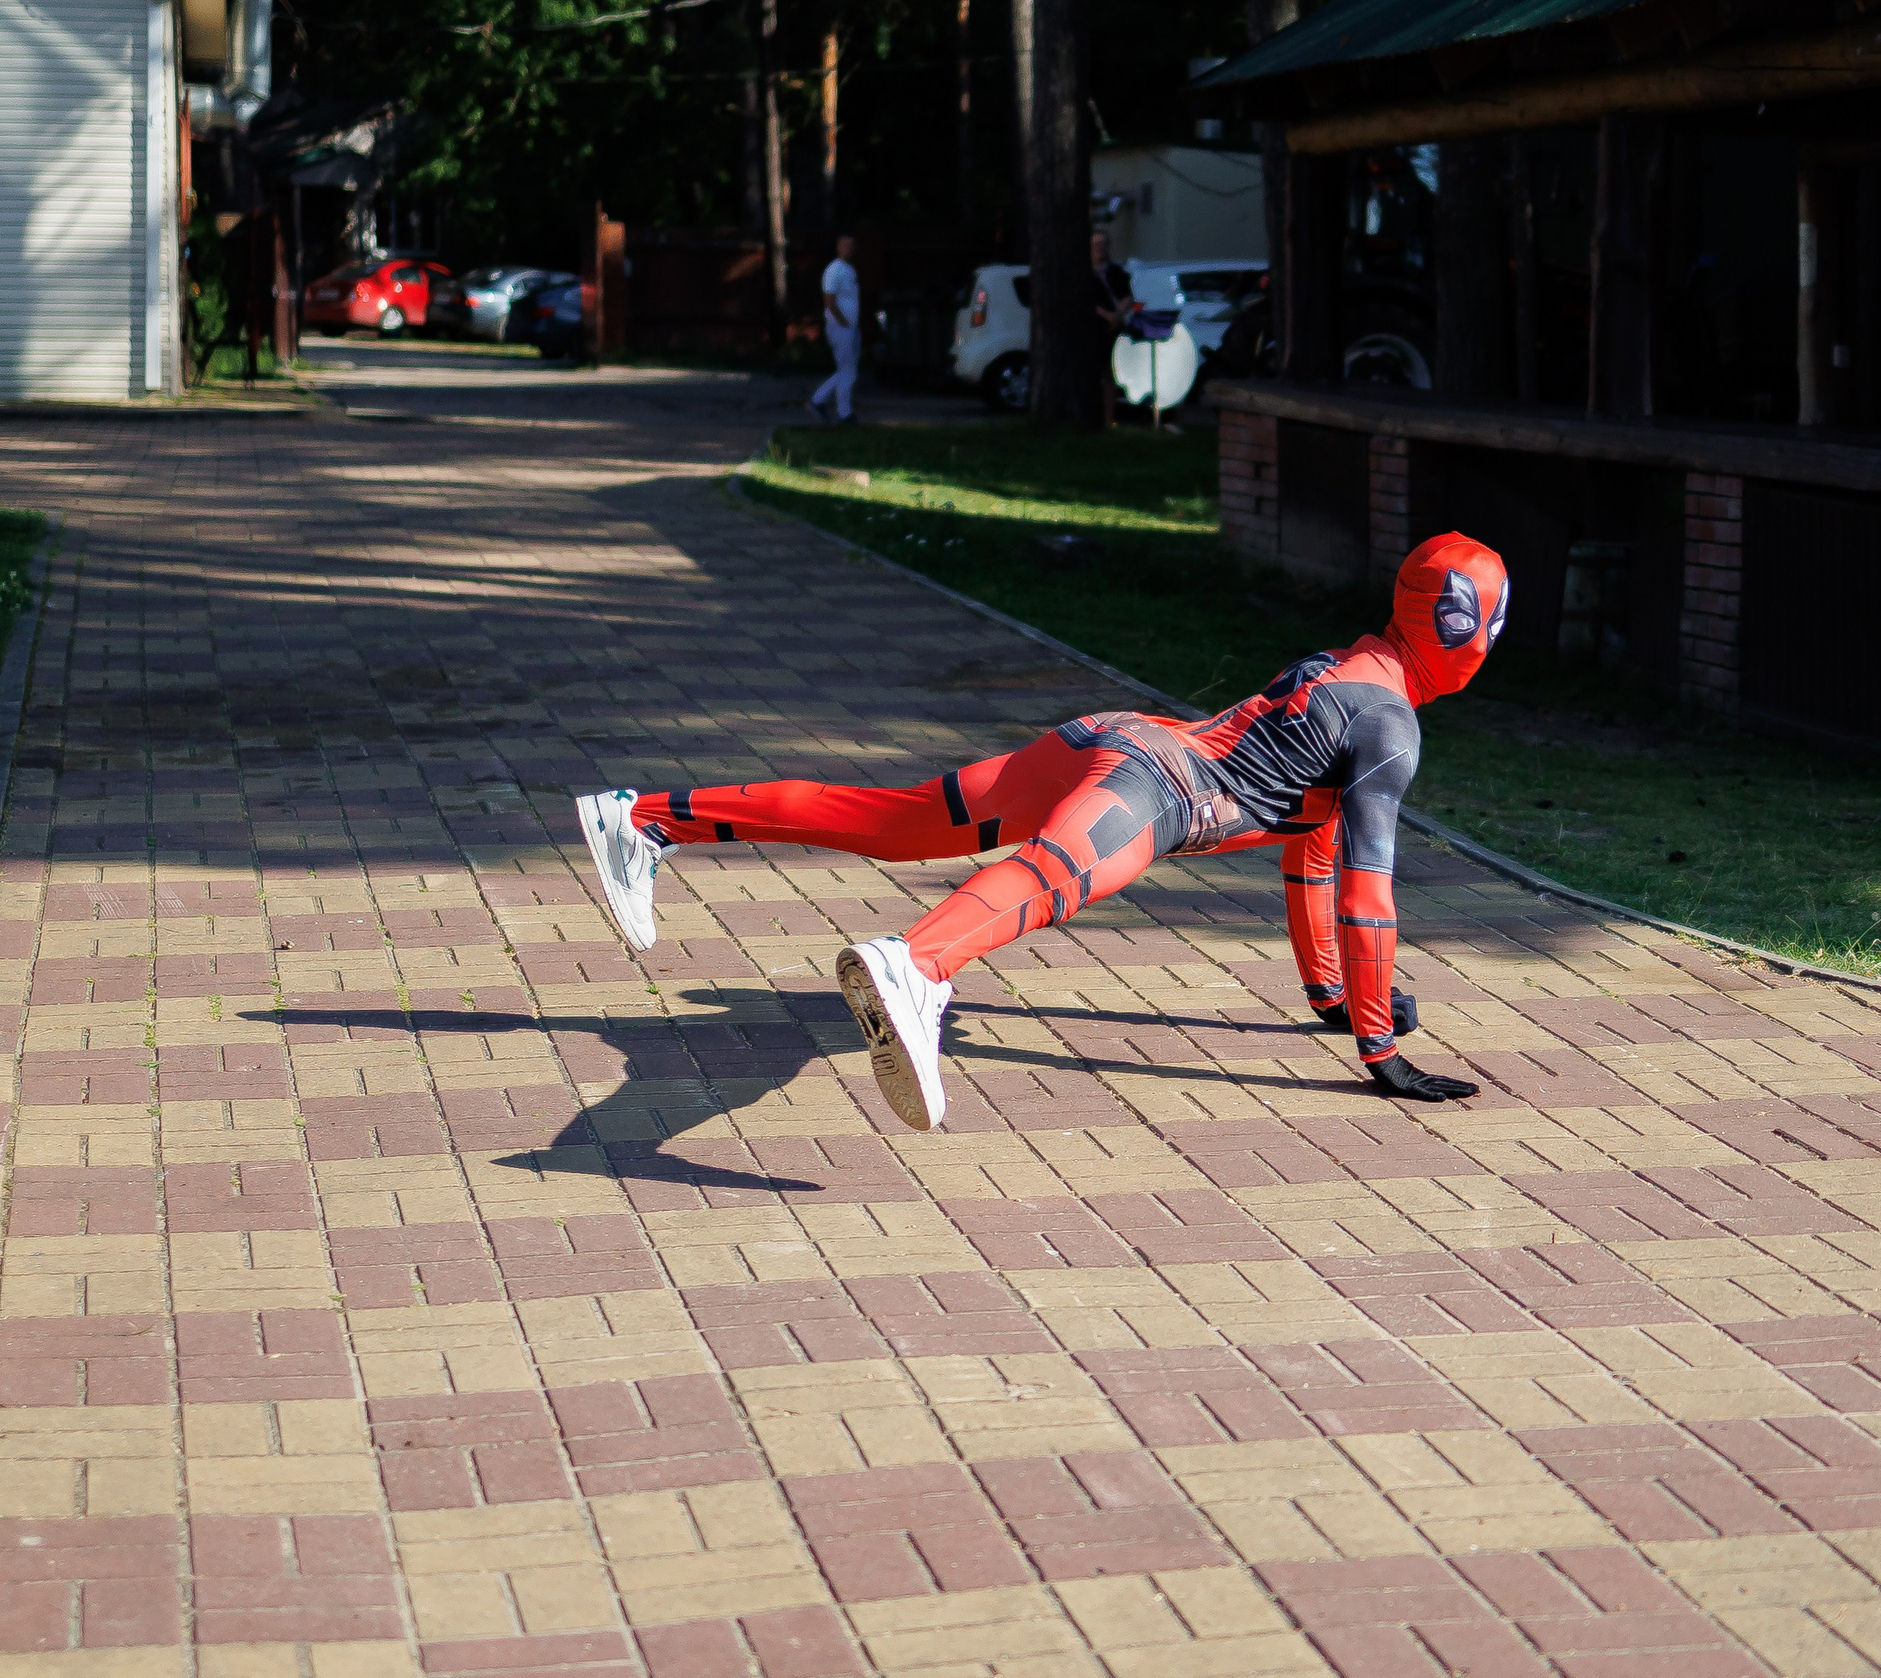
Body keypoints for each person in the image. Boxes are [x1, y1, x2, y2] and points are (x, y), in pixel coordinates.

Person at [575, 533, 1510, 1132]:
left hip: (1110, 739)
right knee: (1052, 876)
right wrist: (1381, 1052)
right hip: (1159, 790)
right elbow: (1365, 891)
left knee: (898, 819)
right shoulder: (1390, 727)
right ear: (1473, 638)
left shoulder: (1344, 665)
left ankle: (641, 819)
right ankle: (917, 964)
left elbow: (1313, 847)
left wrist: (1333, 1001)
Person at [809, 233, 859, 425]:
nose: (851, 249)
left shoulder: (849, 269)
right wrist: (843, 322)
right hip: (840, 327)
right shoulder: (834, 270)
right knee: (847, 371)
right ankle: (843, 413)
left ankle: (820, 401)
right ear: (838, 247)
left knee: (848, 371)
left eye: (853, 245)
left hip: (850, 327)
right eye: (846, 245)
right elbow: (829, 300)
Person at [1089, 229, 1133, 428]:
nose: (1099, 248)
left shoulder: (1116, 272)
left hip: (1113, 331)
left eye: (1102, 243)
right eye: (1095, 244)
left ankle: (1108, 418)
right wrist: (1106, 315)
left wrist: (1117, 315)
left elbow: (1127, 297)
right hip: (1092, 330)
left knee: (1110, 374)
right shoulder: (1084, 273)